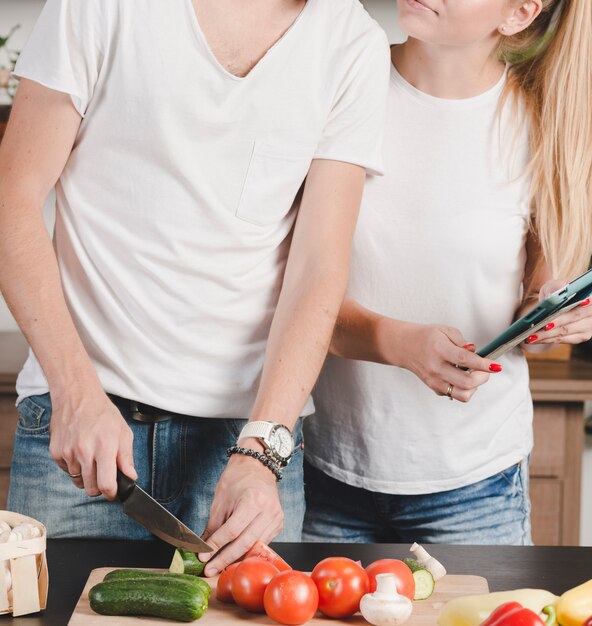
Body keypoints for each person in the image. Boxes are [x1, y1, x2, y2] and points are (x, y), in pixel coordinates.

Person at [0, 0, 389, 574]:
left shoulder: (353, 42)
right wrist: (76, 393)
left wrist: (263, 451)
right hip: (81, 433)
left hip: (244, 453)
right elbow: (12, 201)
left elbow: (317, 270)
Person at [303, 0, 592, 545]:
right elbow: (293, 294)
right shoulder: (337, 83)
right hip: (323, 468)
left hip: (475, 490)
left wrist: (553, 321)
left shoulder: (541, 127)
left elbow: (535, 310)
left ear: (518, 13)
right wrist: (396, 342)